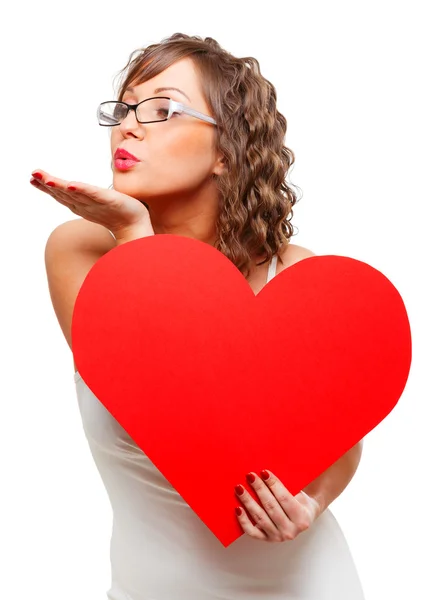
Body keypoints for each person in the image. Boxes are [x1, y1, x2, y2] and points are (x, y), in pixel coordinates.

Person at [31, 33, 365, 600]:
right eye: (125, 107)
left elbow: (341, 436)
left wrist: (313, 500)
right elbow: (160, 401)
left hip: (311, 585)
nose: (128, 126)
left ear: (227, 151)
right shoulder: (81, 250)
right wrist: (135, 235)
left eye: (162, 110)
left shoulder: (297, 278)